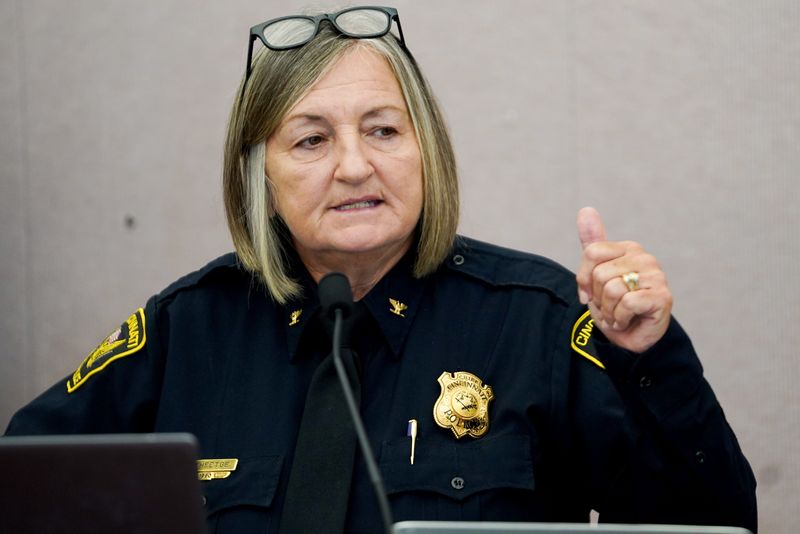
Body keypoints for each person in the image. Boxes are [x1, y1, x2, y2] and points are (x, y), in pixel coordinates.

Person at [5, 6, 757, 534]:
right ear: (258, 176)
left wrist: (649, 358)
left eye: (383, 129)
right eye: (310, 141)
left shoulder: (541, 320)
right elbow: (29, 492)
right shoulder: (186, 329)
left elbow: (710, 525)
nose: (355, 165)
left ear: (425, 148)